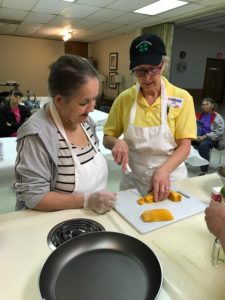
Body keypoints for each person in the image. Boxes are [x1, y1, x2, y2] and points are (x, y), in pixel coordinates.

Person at [14, 54, 116, 213]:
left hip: (94, 216)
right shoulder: (36, 135)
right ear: (59, 101)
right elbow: (34, 197)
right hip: (57, 225)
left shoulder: (86, 121)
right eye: (84, 102)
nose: (91, 108)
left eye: (94, 99)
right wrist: (87, 200)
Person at [103, 33, 196, 201]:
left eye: (153, 69)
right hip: (133, 179)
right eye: (140, 71)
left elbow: (185, 146)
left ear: (164, 64)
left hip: (170, 177)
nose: (146, 78)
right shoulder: (124, 99)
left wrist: (165, 170)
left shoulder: (182, 98)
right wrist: (116, 142)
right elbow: (107, 138)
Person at [193, 97, 224, 175]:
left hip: (212, 139)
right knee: (183, 140)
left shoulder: (217, 117)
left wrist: (204, 137)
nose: (204, 106)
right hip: (198, 136)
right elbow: (191, 126)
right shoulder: (198, 115)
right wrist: (194, 135)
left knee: (203, 145)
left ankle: (204, 170)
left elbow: (219, 132)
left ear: (212, 106)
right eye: (203, 105)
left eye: (207, 104)